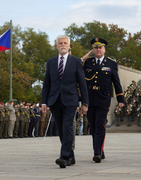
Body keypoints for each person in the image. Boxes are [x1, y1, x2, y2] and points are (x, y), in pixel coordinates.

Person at [41, 35, 88, 168]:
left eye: (65, 43)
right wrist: (44, 102)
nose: (63, 45)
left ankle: (64, 156)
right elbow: (46, 84)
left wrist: (85, 103)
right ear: (56, 46)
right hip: (55, 100)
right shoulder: (50, 62)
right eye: (60, 43)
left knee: (68, 126)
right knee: (61, 129)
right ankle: (70, 156)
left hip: (71, 100)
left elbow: (82, 84)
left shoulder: (76, 61)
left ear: (69, 46)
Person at [82, 37, 125, 163]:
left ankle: (97, 153)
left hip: (103, 100)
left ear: (104, 49)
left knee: (100, 125)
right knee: (93, 126)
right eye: (95, 48)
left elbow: (116, 82)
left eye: (100, 47)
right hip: (90, 100)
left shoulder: (111, 63)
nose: (98, 50)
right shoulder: (87, 63)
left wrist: (120, 98)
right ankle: (99, 149)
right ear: (93, 50)